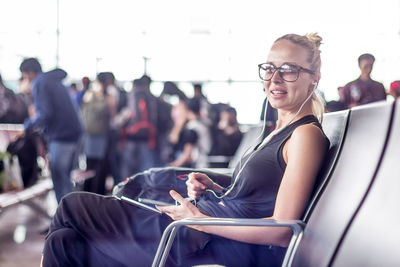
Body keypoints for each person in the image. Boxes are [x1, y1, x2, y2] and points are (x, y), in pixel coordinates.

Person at [42, 33, 329, 267]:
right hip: (195, 228)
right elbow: (260, 197)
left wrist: (202, 221)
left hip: (198, 241)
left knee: (71, 206)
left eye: (289, 70)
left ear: (314, 77)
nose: (275, 79)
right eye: (269, 68)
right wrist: (216, 187)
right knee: (64, 243)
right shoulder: (278, 131)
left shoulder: (305, 135)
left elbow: (281, 230)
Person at [20, 58, 83, 203]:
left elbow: (45, 114)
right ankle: (71, 216)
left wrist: (27, 126)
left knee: (60, 180)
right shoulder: (56, 81)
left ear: (28, 73)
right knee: (66, 179)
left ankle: (66, 218)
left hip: (61, 136)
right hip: (75, 135)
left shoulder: (40, 82)